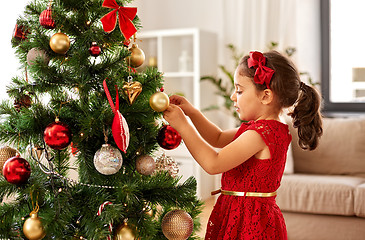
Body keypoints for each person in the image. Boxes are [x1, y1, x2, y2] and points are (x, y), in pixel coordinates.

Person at [163, 50, 323, 239]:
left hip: (248, 221)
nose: (233, 96)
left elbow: (213, 163)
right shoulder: (267, 129)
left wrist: (182, 126)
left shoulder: (260, 134)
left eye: (239, 90)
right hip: (239, 214)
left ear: (265, 96)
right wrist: (192, 112)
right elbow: (218, 137)